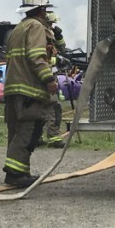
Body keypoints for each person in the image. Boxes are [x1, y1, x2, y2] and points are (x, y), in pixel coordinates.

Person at [1, 0, 59, 188]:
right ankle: (16, 174)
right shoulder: (36, 27)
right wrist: (49, 79)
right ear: (42, 10)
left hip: (13, 89)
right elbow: (36, 57)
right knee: (28, 131)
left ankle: (19, 172)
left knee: (16, 131)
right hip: (29, 90)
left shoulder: (18, 29)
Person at [42, 10, 69, 148]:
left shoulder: (49, 35)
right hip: (44, 76)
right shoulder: (39, 35)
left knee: (42, 107)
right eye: (50, 24)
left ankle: (36, 137)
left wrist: (59, 37)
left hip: (49, 75)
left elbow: (62, 48)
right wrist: (56, 60)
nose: (52, 26)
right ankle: (53, 138)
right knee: (52, 106)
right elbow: (41, 58)